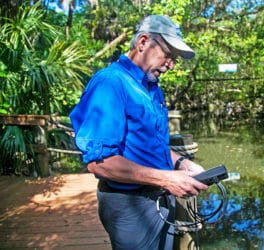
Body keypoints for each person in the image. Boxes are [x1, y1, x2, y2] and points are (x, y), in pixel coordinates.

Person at [69, 15, 208, 250]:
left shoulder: (152, 88)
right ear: (143, 42)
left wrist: (182, 163)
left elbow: (153, 144)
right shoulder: (110, 83)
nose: (171, 65)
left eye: (175, 59)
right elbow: (98, 163)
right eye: (168, 54)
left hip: (160, 198)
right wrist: (166, 178)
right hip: (129, 205)